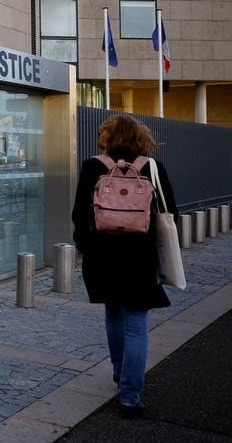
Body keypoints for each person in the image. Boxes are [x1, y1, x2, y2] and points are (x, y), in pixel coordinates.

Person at [71, 115, 178, 418]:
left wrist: (85, 246)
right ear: (140, 137)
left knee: (113, 311)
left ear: (107, 137)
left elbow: (80, 214)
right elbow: (170, 214)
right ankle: (130, 397)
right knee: (137, 324)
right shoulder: (152, 168)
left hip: (102, 254)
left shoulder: (94, 166)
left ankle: (119, 372)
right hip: (140, 255)